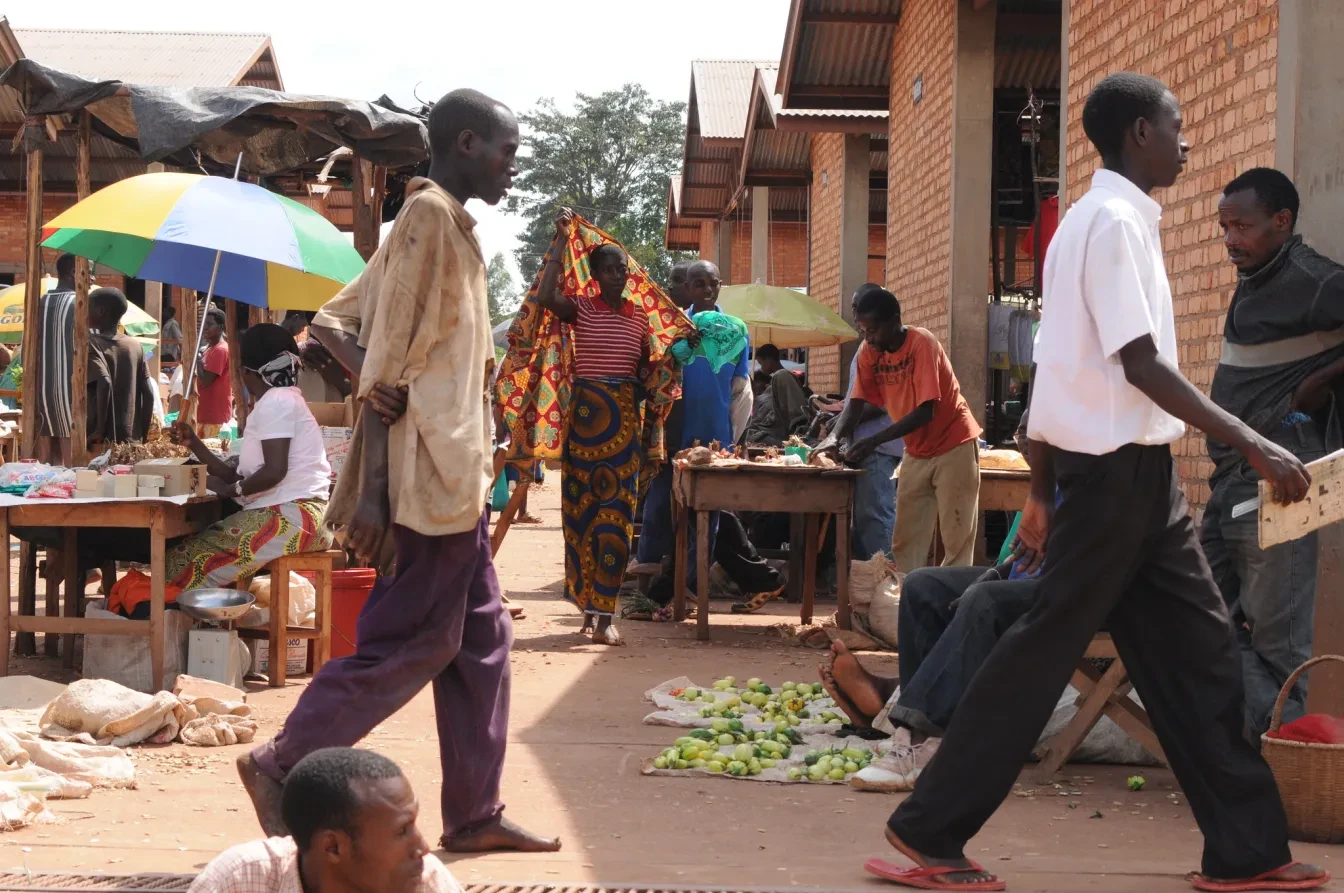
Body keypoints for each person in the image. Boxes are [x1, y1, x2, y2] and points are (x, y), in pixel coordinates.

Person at [872, 73, 1327, 893]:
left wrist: (1043, 485)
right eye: (1177, 125)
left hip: (1142, 486)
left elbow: (1055, 371)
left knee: (1203, 658)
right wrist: (1252, 439)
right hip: (1116, 480)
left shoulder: (1100, 222)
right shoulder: (1111, 223)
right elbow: (1139, 362)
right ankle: (930, 831)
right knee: (1040, 651)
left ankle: (1246, 851)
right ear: (1140, 134)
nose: (1187, 140)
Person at [240, 88, 557, 855]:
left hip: (458, 478)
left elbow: (338, 322)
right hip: (429, 481)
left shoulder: (443, 225)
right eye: (508, 153)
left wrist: (377, 377)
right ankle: (283, 761)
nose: (514, 168)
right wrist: (376, 431)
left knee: (482, 641)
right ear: (469, 143)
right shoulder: (426, 220)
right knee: (413, 639)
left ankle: (475, 811)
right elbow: (366, 354)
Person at [1202, 168, 1341, 740]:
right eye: (1225, 227)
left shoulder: (1315, 280)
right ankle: (1250, 748)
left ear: (1282, 222)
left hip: (1280, 488)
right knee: (1194, 623)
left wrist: (1310, 392)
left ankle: (1283, 771)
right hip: (1229, 486)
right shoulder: (1259, 276)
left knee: (1279, 649)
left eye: (1243, 226)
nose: (1231, 239)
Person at [638, 260, 783, 615]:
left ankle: (676, 592)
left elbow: (740, 391)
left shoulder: (735, 330)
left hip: (712, 440)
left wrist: (728, 439)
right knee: (665, 511)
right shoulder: (671, 327)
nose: (705, 290)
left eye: (711, 284)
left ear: (720, 287)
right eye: (697, 284)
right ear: (686, 287)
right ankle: (663, 584)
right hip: (670, 437)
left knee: (707, 517)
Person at [533, 211, 650, 646]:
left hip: (623, 425)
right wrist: (562, 242)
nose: (618, 274)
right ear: (596, 275)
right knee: (581, 514)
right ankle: (587, 606)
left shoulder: (641, 317)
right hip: (585, 421)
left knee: (616, 519)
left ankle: (605, 615)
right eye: (609, 269)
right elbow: (546, 296)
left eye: (622, 268)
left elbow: (648, 371)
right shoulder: (581, 307)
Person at [166, 324, 332, 591]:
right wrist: (194, 443)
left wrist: (230, 491)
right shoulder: (281, 400)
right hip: (297, 515)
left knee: (178, 564)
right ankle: (209, 626)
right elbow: (239, 476)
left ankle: (191, 625)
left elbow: (274, 471)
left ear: (244, 371)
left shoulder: (276, 401)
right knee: (194, 550)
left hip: (293, 517)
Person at [832, 286, 981, 572]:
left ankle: (951, 606)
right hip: (916, 450)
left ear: (894, 321)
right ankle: (904, 601)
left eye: (873, 330)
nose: (868, 338)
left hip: (955, 444)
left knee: (957, 535)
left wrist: (874, 440)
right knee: (906, 537)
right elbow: (856, 404)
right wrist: (832, 436)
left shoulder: (921, 343)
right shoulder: (868, 351)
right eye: (863, 331)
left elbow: (926, 411)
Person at [188, 748, 461, 893]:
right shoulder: (241, 880)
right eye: (402, 830)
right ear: (333, 847)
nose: (423, 847)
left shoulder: (425, 880)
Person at [86, 287, 155, 446]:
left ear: (101, 311)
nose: (84, 312)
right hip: (131, 438)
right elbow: (148, 393)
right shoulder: (135, 345)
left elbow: (105, 381)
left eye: (88, 307)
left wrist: (99, 430)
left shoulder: (92, 343)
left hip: (101, 440)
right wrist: (143, 433)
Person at [35, 252, 77, 464]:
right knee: (72, 462)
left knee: (47, 458)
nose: (94, 279)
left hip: (43, 388)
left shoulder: (43, 300)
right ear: (73, 272)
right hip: (71, 389)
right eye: (89, 274)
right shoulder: (79, 303)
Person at [744, 343, 811, 446]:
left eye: (761, 364)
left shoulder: (783, 377)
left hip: (783, 432)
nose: (761, 368)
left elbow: (793, 410)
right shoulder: (773, 383)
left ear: (769, 360)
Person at [194, 306, 232, 437]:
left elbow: (206, 381)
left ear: (221, 327)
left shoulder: (221, 350)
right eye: (204, 324)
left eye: (209, 324)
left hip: (215, 418)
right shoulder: (209, 349)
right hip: (204, 415)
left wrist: (197, 361)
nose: (205, 328)